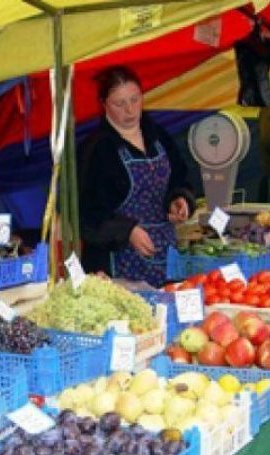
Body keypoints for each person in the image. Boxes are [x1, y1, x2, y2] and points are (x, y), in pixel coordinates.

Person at [77, 65, 195, 288]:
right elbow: (85, 215)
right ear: (103, 105)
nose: (130, 110)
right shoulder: (95, 150)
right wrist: (126, 230)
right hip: (116, 265)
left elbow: (181, 178)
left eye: (134, 100)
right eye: (119, 104)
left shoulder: (159, 136)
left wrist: (180, 199)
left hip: (165, 256)